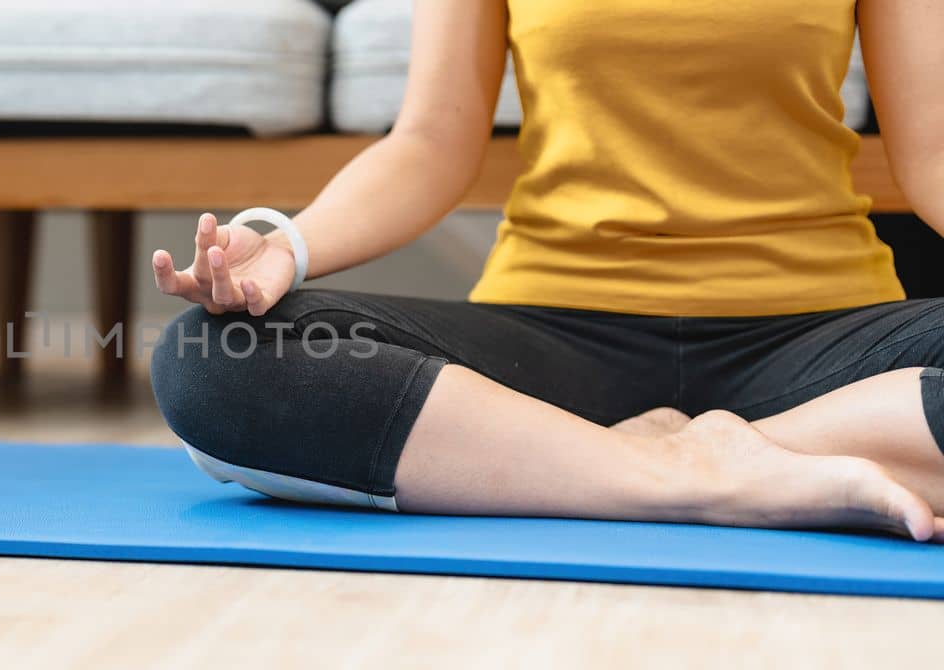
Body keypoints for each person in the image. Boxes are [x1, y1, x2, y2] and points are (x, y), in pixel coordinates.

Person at [149, 0, 944, 541]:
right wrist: (288, 244)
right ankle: (689, 471)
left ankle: (617, 461)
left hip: (821, 337)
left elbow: (933, 144)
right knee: (214, 358)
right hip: (556, 337)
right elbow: (430, 141)